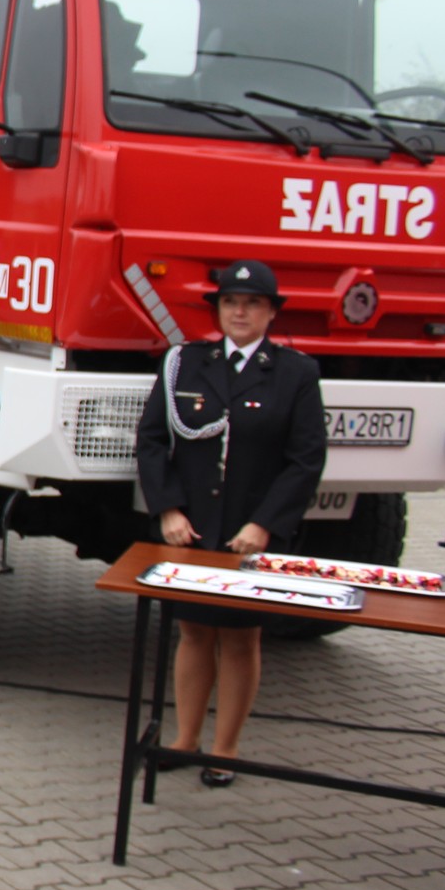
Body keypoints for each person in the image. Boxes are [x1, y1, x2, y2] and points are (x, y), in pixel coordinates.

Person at [135, 259, 326, 787]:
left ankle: (227, 750)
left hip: (250, 534)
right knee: (194, 632)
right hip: (192, 529)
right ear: (218, 309)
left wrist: (265, 525)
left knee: (241, 638)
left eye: (252, 303)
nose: (240, 312)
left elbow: (306, 459)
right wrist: (168, 510)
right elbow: (152, 440)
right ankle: (184, 739)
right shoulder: (186, 364)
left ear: (271, 312)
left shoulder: (295, 373)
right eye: (230, 302)